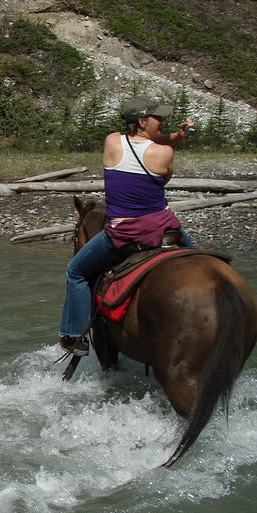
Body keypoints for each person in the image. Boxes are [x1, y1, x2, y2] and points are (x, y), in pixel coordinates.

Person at [58, 95, 195, 356]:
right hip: (164, 227)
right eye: (158, 119)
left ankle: (73, 336)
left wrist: (174, 135)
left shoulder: (112, 141)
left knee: (76, 272)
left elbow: (145, 143)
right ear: (142, 121)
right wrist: (175, 139)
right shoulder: (165, 152)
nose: (162, 123)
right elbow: (159, 167)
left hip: (122, 233)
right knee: (198, 257)